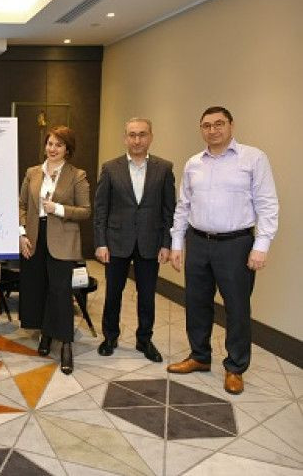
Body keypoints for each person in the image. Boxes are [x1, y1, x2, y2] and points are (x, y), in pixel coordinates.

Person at [167, 106, 278, 395]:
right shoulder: (193, 163)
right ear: (201, 129)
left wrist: (261, 245)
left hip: (236, 245)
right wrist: (177, 243)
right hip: (197, 242)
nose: (213, 130)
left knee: (237, 308)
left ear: (231, 125)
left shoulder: (253, 158)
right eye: (206, 125)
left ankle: (235, 367)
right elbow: (183, 206)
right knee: (196, 303)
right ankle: (199, 356)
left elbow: (267, 204)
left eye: (219, 124)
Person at [93, 117, 175, 362]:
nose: (137, 140)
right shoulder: (110, 168)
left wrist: (167, 243)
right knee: (113, 294)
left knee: (147, 296)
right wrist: (100, 242)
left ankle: (144, 340)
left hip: (150, 242)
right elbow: (101, 210)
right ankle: (110, 337)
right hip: (116, 241)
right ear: (125, 138)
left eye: (142, 134)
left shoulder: (164, 168)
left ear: (151, 137)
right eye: (132, 135)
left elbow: (169, 210)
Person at [19, 125, 91, 374]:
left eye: (59, 145)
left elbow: (85, 211)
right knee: (39, 288)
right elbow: (21, 205)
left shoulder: (77, 175)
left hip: (62, 240)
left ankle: (66, 344)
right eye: (50, 143)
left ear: (67, 149)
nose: (53, 148)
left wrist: (58, 209)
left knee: (60, 292)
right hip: (34, 238)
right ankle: (46, 335)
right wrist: (21, 234)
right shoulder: (32, 172)